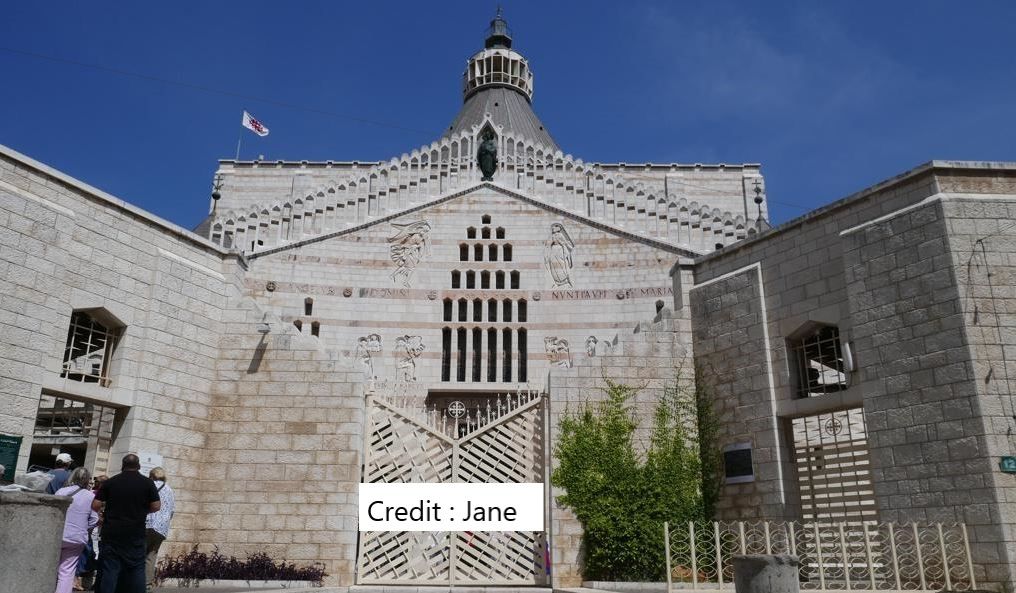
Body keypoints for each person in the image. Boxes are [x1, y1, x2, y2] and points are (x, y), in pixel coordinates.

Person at [92, 454, 160, 593]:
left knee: (110, 569)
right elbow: (156, 506)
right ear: (139, 466)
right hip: (135, 532)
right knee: (136, 569)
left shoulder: (111, 482)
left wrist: (105, 514)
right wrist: (142, 511)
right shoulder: (147, 483)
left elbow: (95, 505)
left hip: (112, 532)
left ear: (122, 465)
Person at [54, 467, 99, 593]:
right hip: (77, 537)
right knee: (67, 571)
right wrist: (84, 528)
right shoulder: (90, 496)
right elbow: (94, 519)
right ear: (87, 480)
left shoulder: (61, 492)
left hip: (58, 535)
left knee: (51, 568)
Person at [144, 467, 175, 590]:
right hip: (162, 528)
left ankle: (133, 583)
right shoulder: (170, 490)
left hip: (147, 524)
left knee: (139, 554)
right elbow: (172, 510)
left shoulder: (148, 486)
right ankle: (147, 585)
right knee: (152, 555)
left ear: (152, 476)